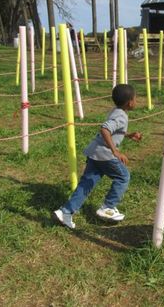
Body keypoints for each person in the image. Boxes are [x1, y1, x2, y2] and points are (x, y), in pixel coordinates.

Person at [54, 84, 142, 228]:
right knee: (123, 177)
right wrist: (115, 151)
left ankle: (65, 212)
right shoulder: (122, 116)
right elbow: (105, 129)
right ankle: (108, 207)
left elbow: (113, 129)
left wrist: (128, 135)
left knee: (86, 183)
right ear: (130, 102)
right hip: (106, 155)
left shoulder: (116, 111)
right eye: (135, 99)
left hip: (95, 153)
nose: (136, 101)